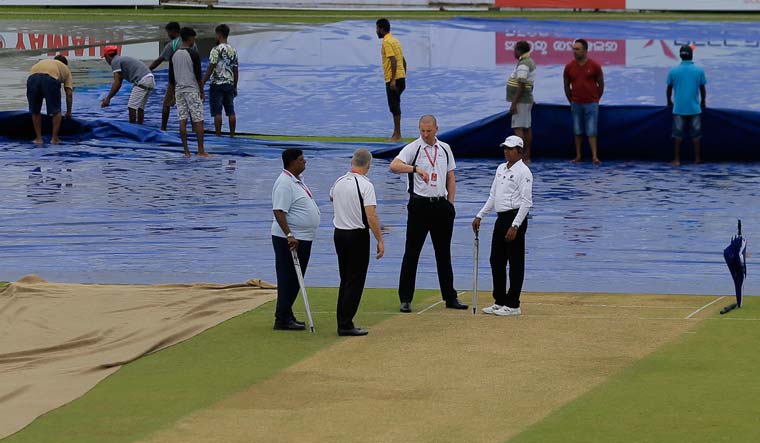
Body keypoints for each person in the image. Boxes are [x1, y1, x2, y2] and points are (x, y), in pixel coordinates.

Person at [390, 115, 468, 313]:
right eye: (422, 131)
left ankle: (450, 297)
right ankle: (405, 298)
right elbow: (394, 165)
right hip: (419, 206)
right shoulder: (414, 148)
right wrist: (415, 169)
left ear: (436, 129)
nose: (425, 134)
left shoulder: (444, 149)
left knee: (443, 254)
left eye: (429, 131)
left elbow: (451, 176)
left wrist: (450, 203)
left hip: (441, 205)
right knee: (412, 252)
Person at [472, 135, 533, 317]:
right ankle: (499, 301)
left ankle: (513, 304)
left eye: (510, 148)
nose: (506, 151)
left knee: (515, 262)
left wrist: (515, 226)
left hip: (515, 219)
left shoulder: (524, 172)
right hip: (500, 218)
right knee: (496, 260)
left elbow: (526, 202)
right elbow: (493, 196)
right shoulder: (500, 169)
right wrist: (480, 215)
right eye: (505, 148)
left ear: (519, 151)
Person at [330, 149, 385, 336]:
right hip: (356, 235)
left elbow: (332, 197)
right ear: (368, 165)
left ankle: (343, 319)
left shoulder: (338, 182)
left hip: (339, 233)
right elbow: (371, 215)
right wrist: (380, 239)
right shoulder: (365, 185)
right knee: (355, 279)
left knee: (345, 278)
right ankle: (345, 323)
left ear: (351, 162)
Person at [271, 148, 321, 331]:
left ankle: (286, 313)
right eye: (301, 160)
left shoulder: (296, 181)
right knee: (288, 277)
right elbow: (278, 211)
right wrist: (289, 234)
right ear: (292, 162)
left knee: (295, 278)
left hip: (303, 236)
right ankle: (282, 317)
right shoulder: (284, 183)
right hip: (291, 239)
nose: (305, 162)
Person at [563, 38, 604, 165]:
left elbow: (601, 84)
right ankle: (578, 155)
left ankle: (594, 156)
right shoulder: (569, 67)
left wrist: (596, 99)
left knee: (592, 130)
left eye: (577, 49)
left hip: (591, 103)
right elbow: (566, 86)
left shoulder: (595, 66)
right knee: (577, 130)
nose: (575, 52)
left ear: (585, 50)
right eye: (573, 49)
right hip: (576, 103)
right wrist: (571, 100)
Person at [666, 44, 707, 166]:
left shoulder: (673, 70)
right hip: (695, 108)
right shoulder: (699, 70)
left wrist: (669, 101)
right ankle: (697, 159)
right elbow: (702, 88)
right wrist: (703, 101)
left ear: (680, 56)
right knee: (696, 135)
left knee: (678, 135)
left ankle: (677, 159)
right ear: (691, 55)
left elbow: (669, 88)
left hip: (679, 109)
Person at [169, 27, 207, 157]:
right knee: (198, 119)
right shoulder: (193, 54)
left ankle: (186, 151)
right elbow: (198, 75)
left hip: (179, 90)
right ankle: (201, 150)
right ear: (190, 38)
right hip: (191, 89)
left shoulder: (174, 55)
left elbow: (171, 78)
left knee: (182, 119)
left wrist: (173, 94)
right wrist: (202, 91)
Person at [101, 46, 155, 125]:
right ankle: (140, 126)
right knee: (140, 107)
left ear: (108, 56)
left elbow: (117, 82)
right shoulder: (121, 60)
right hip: (150, 79)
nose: (106, 60)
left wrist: (108, 98)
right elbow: (119, 81)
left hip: (142, 80)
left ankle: (132, 128)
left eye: (105, 57)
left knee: (131, 106)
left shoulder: (115, 61)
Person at [26, 55, 73, 144]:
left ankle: (38, 139)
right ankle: (54, 138)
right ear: (65, 64)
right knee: (56, 111)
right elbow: (69, 94)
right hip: (50, 78)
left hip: (32, 77)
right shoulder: (66, 69)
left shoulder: (45, 62)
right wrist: (69, 112)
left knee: (35, 111)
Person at [202, 24, 239, 138]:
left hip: (217, 83)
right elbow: (236, 69)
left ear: (219, 34)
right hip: (229, 83)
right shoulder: (233, 50)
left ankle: (218, 135)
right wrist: (235, 85)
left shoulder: (216, 50)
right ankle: (232, 135)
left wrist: (203, 81)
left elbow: (211, 66)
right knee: (230, 111)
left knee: (217, 111)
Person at [376, 18, 407, 142]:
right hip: (401, 77)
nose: (376, 31)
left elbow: (393, 60)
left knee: (394, 106)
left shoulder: (387, 42)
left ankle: (397, 135)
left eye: (377, 28)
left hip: (393, 78)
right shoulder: (395, 40)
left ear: (382, 29)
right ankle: (396, 133)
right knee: (395, 105)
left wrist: (393, 79)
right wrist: (403, 75)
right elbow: (403, 60)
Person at [507, 40, 536, 163]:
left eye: (515, 49)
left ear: (519, 50)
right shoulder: (527, 61)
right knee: (526, 127)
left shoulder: (524, 64)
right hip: (525, 100)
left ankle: (522, 157)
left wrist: (514, 103)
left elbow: (522, 85)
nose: (513, 52)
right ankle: (525, 156)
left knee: (519, 129)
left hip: (521, 101)